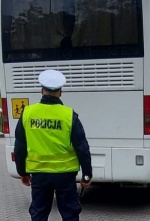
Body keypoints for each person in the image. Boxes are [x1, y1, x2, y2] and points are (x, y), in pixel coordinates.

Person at [14, 69, 92, 221]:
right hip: (65, 175)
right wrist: (87, 175)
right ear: (60, 92)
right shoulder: (69, 115)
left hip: (39, 175)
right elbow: (82, 147)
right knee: (70, 214)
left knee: (39, 214)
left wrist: (22, 172)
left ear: (41, 90)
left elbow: (20, 146)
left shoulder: (28, 113)